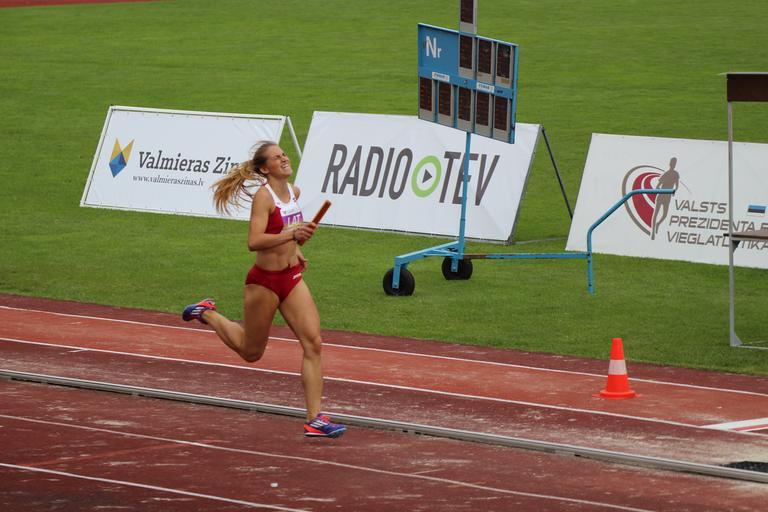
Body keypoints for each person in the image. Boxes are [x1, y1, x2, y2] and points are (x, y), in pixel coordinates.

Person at [182, 141, 346, 438]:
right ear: (264, 168)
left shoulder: (294, 192)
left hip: (291, 278)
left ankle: (315, 419)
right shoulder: (263, 197)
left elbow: (288, 235)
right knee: (251, 352)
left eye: (284, 154)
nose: (284, 159)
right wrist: (292, 235)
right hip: (265, 282)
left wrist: (296, 249)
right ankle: (207, 313)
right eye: (276, 157)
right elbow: (254, 241)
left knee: (314, 343)